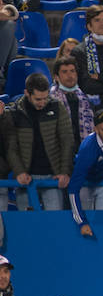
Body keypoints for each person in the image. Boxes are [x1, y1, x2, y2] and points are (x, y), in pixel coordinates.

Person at [1, 73, 75, 211]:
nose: (42, 102)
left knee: (55, 223)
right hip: (26, 179)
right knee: (27, 226)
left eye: (45, 98)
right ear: (27, 93)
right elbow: (11, 147)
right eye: (38, 99)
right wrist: (19, 171)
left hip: (52, 178)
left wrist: (65, 171)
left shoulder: (57, 107)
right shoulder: (15, 112)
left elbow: (67, 140)